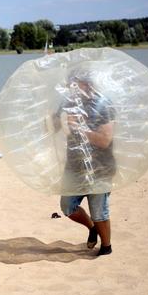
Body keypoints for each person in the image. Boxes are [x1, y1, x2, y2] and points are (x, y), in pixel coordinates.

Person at [55, 70, 115, 256]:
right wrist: (59, 120)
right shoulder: (67, 103)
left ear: (87, 84)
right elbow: (52, 126)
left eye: (75, 83)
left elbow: (105, 140)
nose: (71, 87)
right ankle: (92, 228)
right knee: (67, 207)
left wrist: (80, 128)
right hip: (74, 166)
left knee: (99, 213)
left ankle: (106, 247)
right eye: (69, 84)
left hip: (100, 167)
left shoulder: (103, 105)